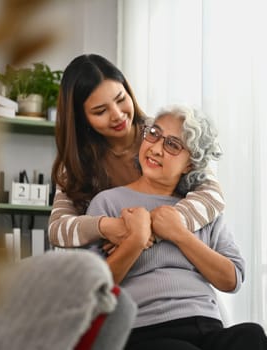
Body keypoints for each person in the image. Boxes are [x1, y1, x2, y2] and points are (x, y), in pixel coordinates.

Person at [86, 105, 267, 350]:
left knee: (252, 337)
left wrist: (180, 234)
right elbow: (92, 289)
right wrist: (136, 239)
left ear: (189, 164)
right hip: (145, 329)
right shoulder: (108, 202)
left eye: (173, 145)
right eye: (154, 133)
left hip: (207, 326)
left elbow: (232, 279)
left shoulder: (201, 208)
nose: (155, 148)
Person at [49, 54, 225, 248]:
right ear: (81, 119)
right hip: (118, 266)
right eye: (100, 111)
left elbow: (213, 196)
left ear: (128, 91)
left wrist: (147, 229)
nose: (117, 115)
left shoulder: (160, 134)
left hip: (171, 252)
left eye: (120, 99)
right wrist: (106, 226)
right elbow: (57, 229)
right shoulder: (77, 162)